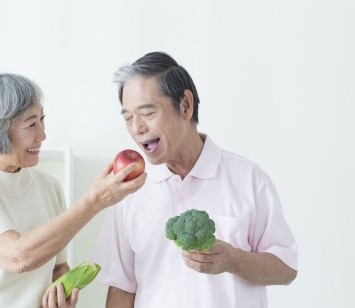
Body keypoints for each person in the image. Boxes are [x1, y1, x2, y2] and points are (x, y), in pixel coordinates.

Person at [92, 52, 298, 308]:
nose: (137, 128)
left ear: (186, 105)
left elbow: (286, 268)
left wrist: (233, 260)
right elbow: (122, 288)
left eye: (147, 112)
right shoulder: (128, 190)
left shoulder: (248, 179)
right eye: (127, 117)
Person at [0, 73, 146, 308]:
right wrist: (94, 201)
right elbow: (18, 257)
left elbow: (57, 267)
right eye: (31, 123)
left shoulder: (48, 186)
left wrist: (60, 295)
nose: (43, 135)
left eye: (42, 119)